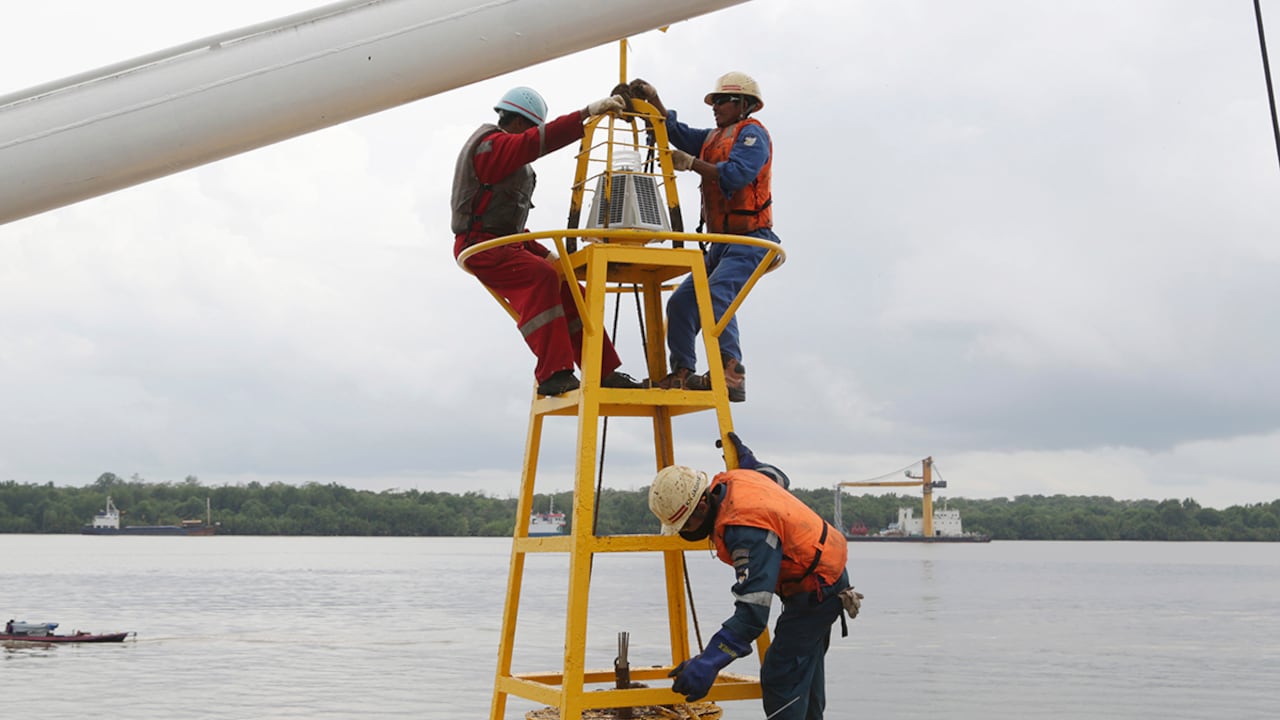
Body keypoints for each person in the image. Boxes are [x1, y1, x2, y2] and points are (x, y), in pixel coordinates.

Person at [647, 433, 862, 720]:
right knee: (802, 676)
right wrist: (752, 464)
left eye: (686, 525)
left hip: (817, 590)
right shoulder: (738, 480)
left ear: (702, 506)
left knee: (781, 676)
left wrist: (709, 661)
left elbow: (753, 613)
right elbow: (778, 478)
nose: (686, 533)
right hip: (825, 580)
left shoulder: (746, 530)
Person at [451, 86, 646, 396]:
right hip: (481, 247)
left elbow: (507, 227)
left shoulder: (503, 153)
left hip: (504, 243)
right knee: (540, 278)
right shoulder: (492, 147)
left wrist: (546, 253)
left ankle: (603, 370)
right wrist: (586, 113)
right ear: (519, 122)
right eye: (531, 128)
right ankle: (553, 373)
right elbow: (535, 142)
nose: (531, 134)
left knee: (572, 289)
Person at [628, 72, 780, 402]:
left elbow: (737, 175)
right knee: (681, 304)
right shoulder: (713, 137)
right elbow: (675, 132)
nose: (716, 107)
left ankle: (730, 372)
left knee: (715, 297)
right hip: (721, 244)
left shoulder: (752, 134)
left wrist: (691, 163)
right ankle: (683, 370)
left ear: (744, 104)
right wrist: (652, 98)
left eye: (723, 101)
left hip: (749, 241)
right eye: (714, 101)